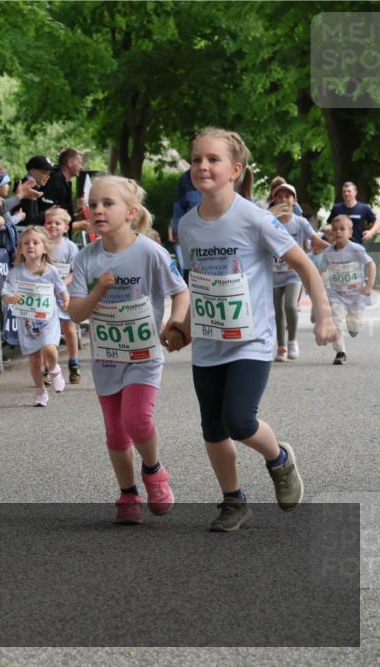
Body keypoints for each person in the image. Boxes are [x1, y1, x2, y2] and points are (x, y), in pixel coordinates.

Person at [173, 127, 337, 532]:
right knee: (212, 427)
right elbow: (199, 281)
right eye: (196, 159)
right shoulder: (189, 225)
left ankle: (279, 459)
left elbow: (305, 265)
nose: (202, 166)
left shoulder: (255, 218)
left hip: (252, 341)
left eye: (213, 159)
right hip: (210, 342)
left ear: (236, 169)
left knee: (239, 421)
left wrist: (324, 312)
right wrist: (185, 328)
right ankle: (234, 501)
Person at [67, 176, 189, 525]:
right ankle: (128, 492)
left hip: (143, 356)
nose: (98, 210)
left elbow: (181, 292)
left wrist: (174, 324)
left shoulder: (149, 251)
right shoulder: (86, 258)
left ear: (131, 212)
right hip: (107, 359)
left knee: (137, 419)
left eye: (107, 204)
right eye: (93, 205)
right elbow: (75, 313)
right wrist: (98, 292)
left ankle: (154, 471)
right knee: (115, 431)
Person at [1, 226, 68, 407]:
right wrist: (11, 298)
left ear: (44, 248)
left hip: (48, 320)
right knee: (34, 358)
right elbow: (6, 292)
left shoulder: (51, 271)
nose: (31, 246)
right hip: (27, 322)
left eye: (35, 242)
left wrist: (66, 302)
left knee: (49, 348)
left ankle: (54, 369)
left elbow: (62, 289)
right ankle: (40, 391)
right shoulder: (16, 272)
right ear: (21, 249)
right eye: (26, 243)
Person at [268, 182, 329, 362]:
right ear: (274, 200)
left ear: (294, 201)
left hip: (293, 274)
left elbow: (316, 241)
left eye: (288, 196)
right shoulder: (269, 222)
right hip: (273, 273)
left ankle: (292, 341)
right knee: (277, 311)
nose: (283, 200)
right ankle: (281, 347)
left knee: (290, 306)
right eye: (279, 197)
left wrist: (340, 249)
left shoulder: (300, 222)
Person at [319, 215, 376, 365]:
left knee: (354, 324)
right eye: (334, 230)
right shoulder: (328, 253)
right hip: (336, 295)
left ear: (350, 232)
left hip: (356, 295)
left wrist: (369, 285)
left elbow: (371, 265)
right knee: (337, 322)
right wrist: (320, 289)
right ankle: (340, 352)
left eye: (342, 229)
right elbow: (321, 271)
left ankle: (354, 327)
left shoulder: (356, 249)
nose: (338, 232)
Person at [43, 208, 82, 384]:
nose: (52, 226)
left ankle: (74, 362)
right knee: (47, 331)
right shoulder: (41, 244)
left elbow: (75, 271)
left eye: (57, 223)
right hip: (46, 294)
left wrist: (61, 285)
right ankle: (48, 367)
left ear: (66, 227)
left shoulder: (70, 247)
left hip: (65, 293)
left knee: (69, 328)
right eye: (49, 223)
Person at [41, 148, 89, 233]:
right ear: (70, 163)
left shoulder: (66, 182)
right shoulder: (55, 180)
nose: (81, 167)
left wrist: (79, 216)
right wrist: (81, 224)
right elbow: (51, 217)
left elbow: (64, 215)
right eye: (79, 163)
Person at [169, 169, 201, 284]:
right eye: (196, 160)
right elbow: (179, 207)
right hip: (190, 235)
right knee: (186, 270)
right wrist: (176, 229)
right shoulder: (185, 179)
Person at [16, 155, 54, 228]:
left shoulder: (35, 187)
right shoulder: (28, 188)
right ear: (32, 171)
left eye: (49, 173)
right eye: (45, 172)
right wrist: (49, 212)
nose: (48, 176)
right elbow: (30, 219)